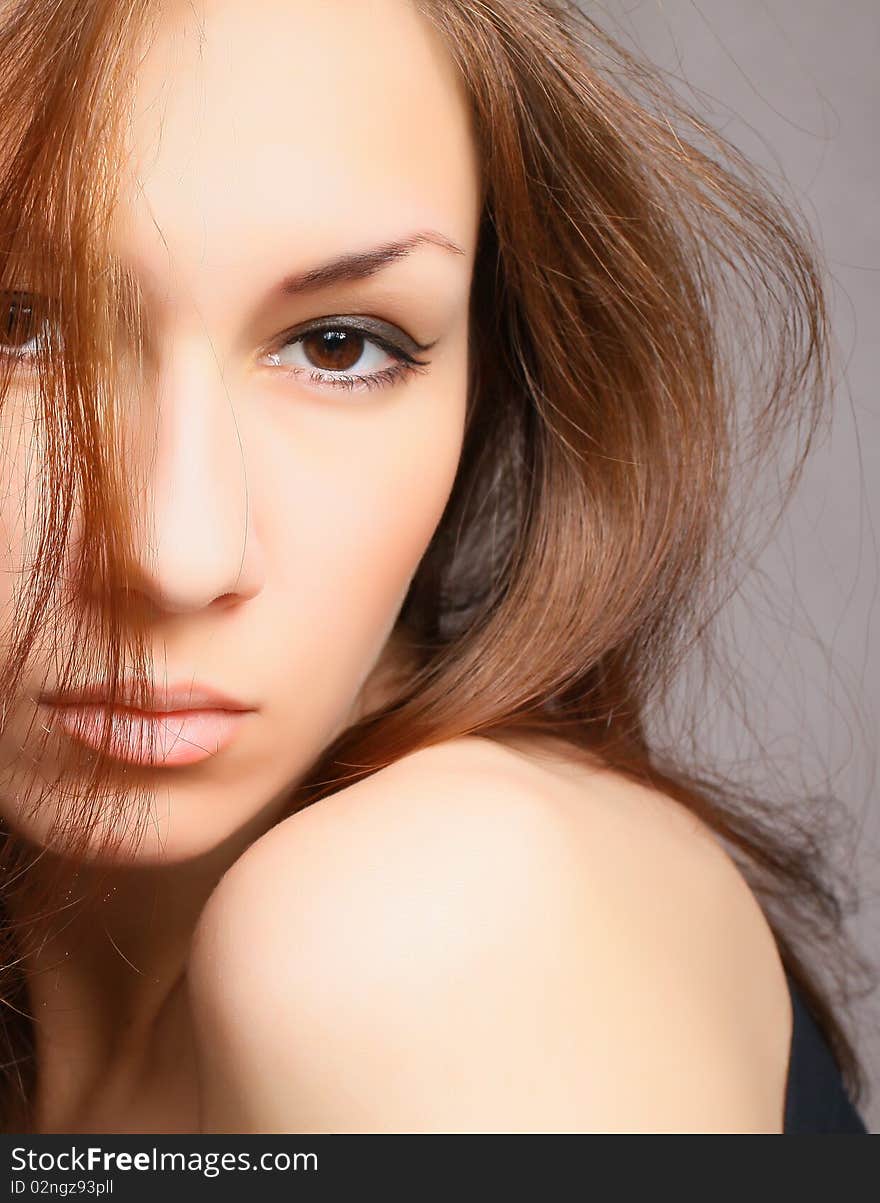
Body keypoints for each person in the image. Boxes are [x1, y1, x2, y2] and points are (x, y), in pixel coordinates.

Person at [0, 0, 871, 1134]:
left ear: (488, 381)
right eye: (15, 326)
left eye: (339, 343)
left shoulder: (428, 925)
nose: (177, 554)